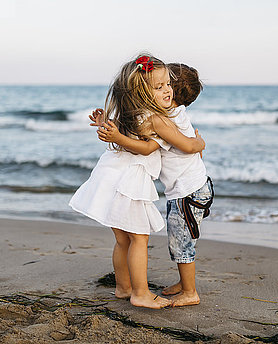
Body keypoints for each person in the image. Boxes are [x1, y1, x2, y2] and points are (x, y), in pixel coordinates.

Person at [69, 54, 205, 309]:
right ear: (141, 92)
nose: (168, 90)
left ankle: (123, 287)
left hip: (110, 174)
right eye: (160, 86)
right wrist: (200, 143)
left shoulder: (132, 111)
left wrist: (106, 126)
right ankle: (140, 293)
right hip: (129, 182)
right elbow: (146, 149)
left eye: (168, 84)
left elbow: (121, 133)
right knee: (139, 239)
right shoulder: (157, 119)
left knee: (123, 240)